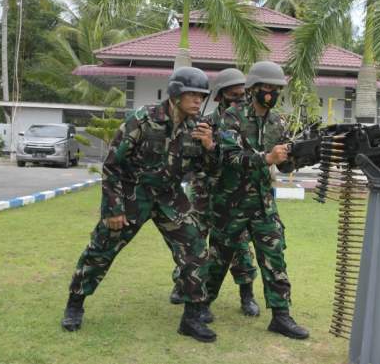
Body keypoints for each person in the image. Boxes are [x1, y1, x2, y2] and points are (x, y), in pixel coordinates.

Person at [61, 67, 217, 343]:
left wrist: (209, 147)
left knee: (196, 249)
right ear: (176, 94)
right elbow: (112, 165)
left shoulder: (198, 128)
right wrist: (113, 209)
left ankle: (192, 317)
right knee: (101, 249)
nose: (198, 100)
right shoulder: (143, 120)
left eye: (201, 96)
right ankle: (75, 303)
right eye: (192, 94)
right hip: (133, 194)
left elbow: (206, 170)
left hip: (170, 197)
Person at [204, 61, 309, 340]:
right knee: (218, 259)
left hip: (263, 205)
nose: (272, 93)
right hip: (231, 203)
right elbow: (230, 157)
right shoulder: (232, 116)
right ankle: (199, 307)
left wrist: (301, 155)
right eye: (267, 87)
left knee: (274, 257)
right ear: (253, 89)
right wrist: (267, 157)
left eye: (277, 88)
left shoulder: (278, 122)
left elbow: (284, 164)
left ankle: (281, 316)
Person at [175, 67, 260, 320]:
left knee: (240, 247)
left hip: (236, 197)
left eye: (243, 95)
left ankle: (247, 295)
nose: (239, 100)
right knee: (193, 243)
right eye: (233, 96)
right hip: (205, 194)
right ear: (220, 96)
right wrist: (205, 147)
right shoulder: (205, 123)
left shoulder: (249, 124)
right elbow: (193, 161)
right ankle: (183, 284)